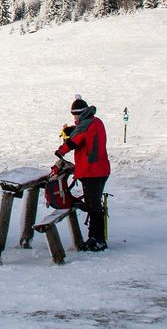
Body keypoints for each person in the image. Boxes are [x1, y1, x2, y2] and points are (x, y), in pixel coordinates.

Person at [56, 94, 110, 251]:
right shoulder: (96, 121)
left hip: (91, 171)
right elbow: (86, 135)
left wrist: (60, 151)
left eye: (75, 115)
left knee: (93, 207)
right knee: (95, 205)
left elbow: (74, 142)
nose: (74, 118)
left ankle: (97, 240)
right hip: (102, 169)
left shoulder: (85, 125)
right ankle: (97, 238)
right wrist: (74, 129)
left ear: (80, 114)